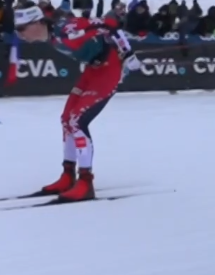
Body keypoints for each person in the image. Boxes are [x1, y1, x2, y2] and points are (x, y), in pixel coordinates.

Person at [37, 15, 142, 201]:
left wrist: (128, 54)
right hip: (92, 70)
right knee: (66, 119)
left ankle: (86, 182)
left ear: (37, 22)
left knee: (76, 120)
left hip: (109, 69)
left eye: (21, 29)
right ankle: (68, 175)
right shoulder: (52, 37)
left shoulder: (66, 29)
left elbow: (110, 23)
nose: (20, 34)